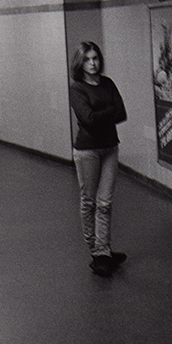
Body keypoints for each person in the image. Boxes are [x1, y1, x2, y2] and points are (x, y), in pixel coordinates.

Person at [69, 41, 127, 277]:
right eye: (88, 59)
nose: (93, 63)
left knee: (105, 203)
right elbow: (88, 119)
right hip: (88, 151)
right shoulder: (77, 88)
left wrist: (101, 115)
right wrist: (108, 112)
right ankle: (95, 250)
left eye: (95, 58)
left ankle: (104, 250)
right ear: (80, 63)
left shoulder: (108, 83)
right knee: (89, 201)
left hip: (110, 148)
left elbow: (121, 113)